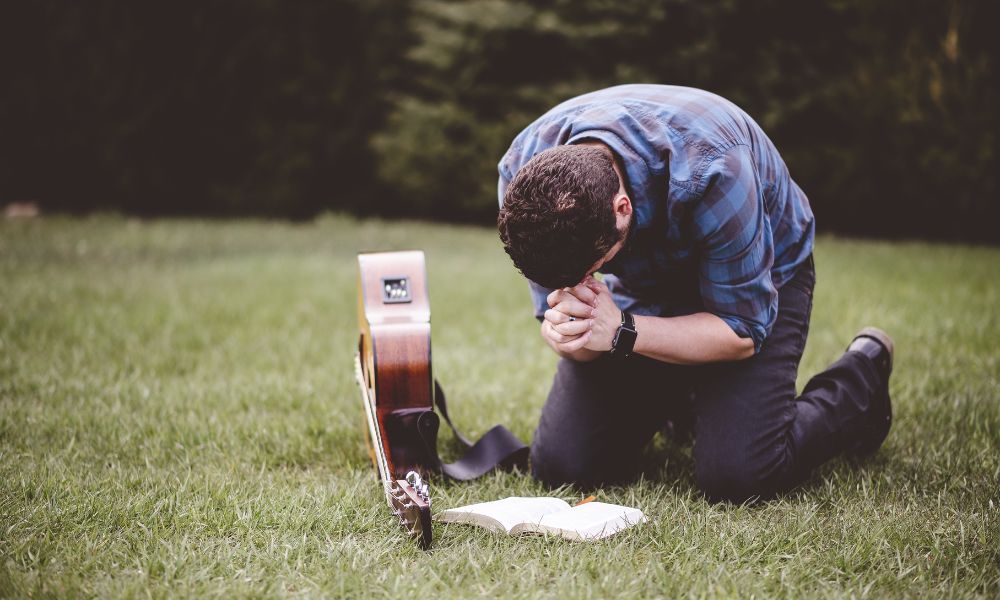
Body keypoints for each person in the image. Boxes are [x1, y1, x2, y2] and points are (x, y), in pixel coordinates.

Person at [496, 84, 893, 503]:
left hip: (756, 279)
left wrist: (624, 332)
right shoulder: (525, 187)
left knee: (738, 477)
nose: (586, 282)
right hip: (646, 284)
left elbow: (741, 331)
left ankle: (860, 381)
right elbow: (574, 330)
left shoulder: (714, 167)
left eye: (594, 269)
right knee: (564, 466)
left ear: (622, 208)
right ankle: (679, 392)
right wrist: (570, 338)